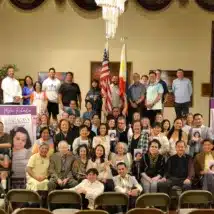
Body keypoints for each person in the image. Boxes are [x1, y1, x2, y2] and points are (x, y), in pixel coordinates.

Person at [0, 122, 11, 189]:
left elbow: (9, 145)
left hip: (5, 155)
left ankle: (3, 193)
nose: (0, 128)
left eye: (2, 126)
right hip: (2, 158)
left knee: (6, 164)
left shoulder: (7, 135)